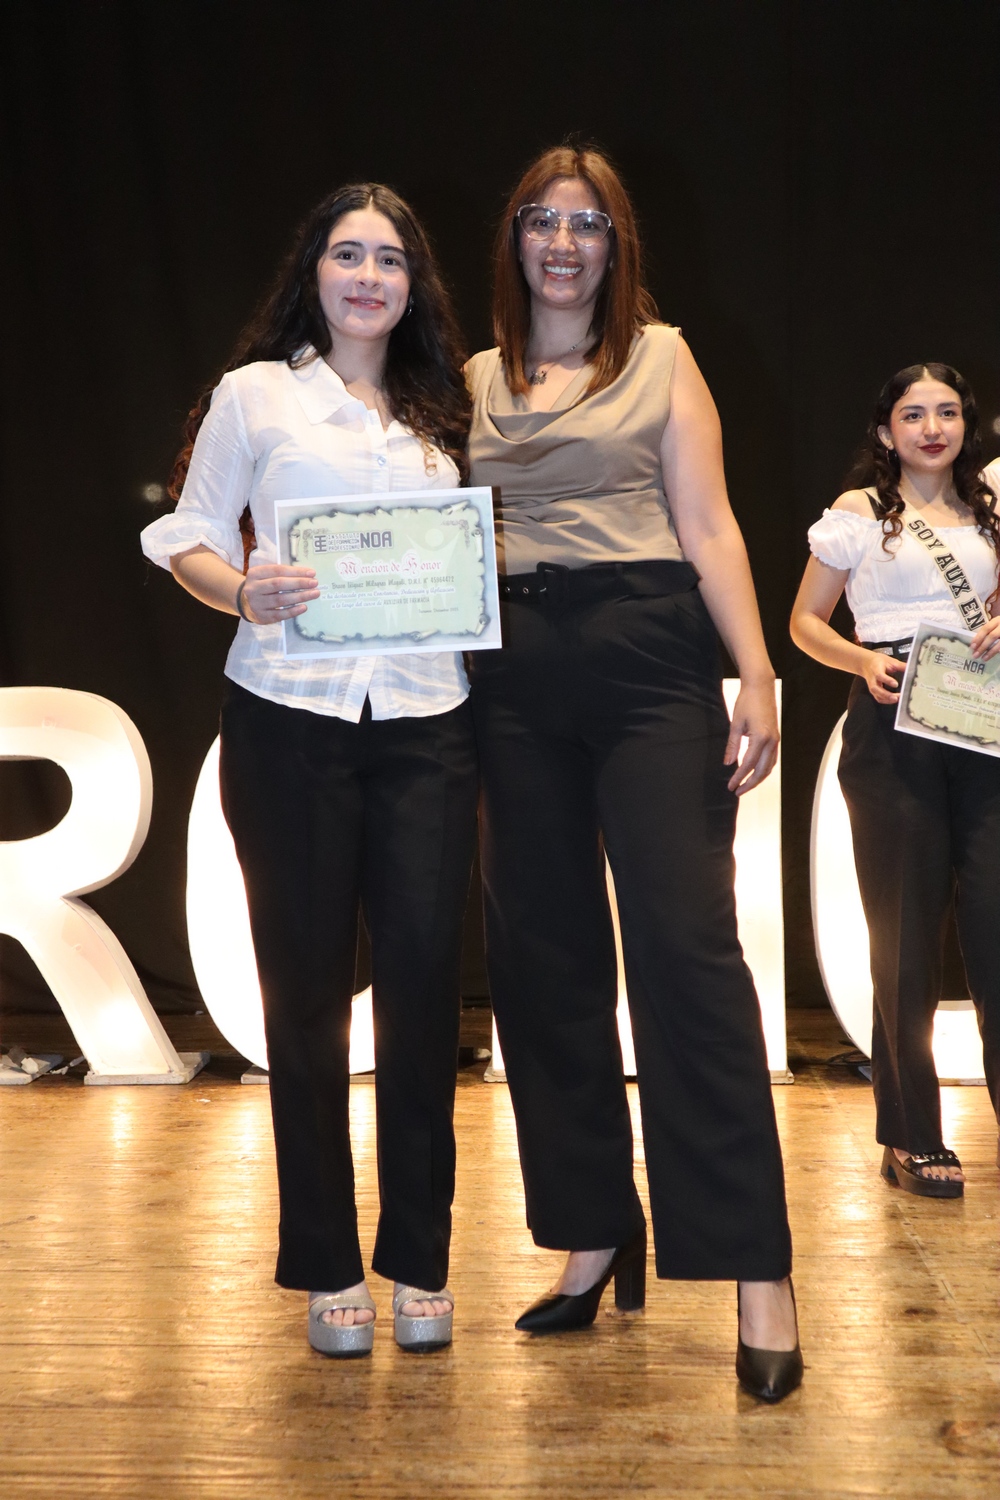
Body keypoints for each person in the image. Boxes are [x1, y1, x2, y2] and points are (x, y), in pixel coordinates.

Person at [465, 145, 802, 1402]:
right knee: (541, 961)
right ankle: (592, 1231)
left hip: (648, 655)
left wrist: (755, 672)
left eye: (587, 224)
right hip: (507, 671)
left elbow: (707, 521)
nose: (563, 243)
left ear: (616, 245)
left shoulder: (662, 357)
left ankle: (757, 1266)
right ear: (513, 239)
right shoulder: (470, 381)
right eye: (541, 221)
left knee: (685, 952)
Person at [141, 184, 478, 1356]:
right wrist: (242, 590)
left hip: (429, 720)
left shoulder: (447, 406)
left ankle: (421, 1259)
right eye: (348, 254)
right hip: (289, 718)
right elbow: (184, 534)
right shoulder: (255, 395)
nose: (368, 276)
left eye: (390, 258)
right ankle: (329, 1265)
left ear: (413, 283)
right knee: (303, 998)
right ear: (313, 270)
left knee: (425, 989)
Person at [791, 363, 1000, 1199]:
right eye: (914, 415)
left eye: (947, 412)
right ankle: (913, 1137)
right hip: (893, 726)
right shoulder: (858, 514)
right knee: (907, 939)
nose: (932, 428)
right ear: (886, 431)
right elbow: (804, 622)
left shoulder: (989, 510)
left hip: (982, 723)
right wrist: (860, 660)